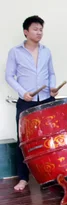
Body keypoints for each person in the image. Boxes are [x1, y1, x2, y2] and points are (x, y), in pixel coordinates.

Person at [5, 15, 59, 192]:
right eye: (35, 29)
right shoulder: (15, 52)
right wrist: (23, 92)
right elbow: (9, 76)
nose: (39, 32)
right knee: (24, 141)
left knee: (51, 138)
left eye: (41, 29)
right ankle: (23, 178)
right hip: (26, 102)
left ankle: (53, 175)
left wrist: (52, 87)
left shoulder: (46, 51)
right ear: (26, 32)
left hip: (46, 100)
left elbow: (51, 73)